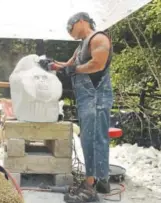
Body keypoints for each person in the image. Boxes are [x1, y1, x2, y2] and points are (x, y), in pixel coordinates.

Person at [50, 12, 114, 203]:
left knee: (94, 140)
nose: (69, 33)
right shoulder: (80, 47)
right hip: (87, 100)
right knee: (91, 138)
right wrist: (52, 65)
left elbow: (97, 64)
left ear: (81, 21)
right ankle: (102, 181)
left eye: (70, 28)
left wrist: (75, 69)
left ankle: (90, 189)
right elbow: (68, 65)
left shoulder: (99, 38)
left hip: (96, 98)